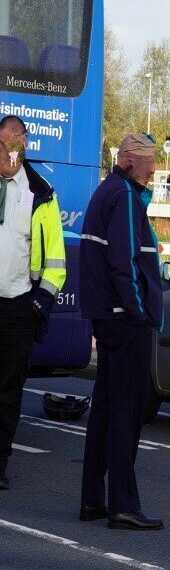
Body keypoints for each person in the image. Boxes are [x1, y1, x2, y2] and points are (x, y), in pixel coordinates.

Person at [79, 132, 165, 530]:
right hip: (124, 319)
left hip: (105, 316)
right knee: (126, 414)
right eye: (150, 160)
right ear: (130, 159)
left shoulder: (105, 191)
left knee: (105, 410)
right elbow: (124, 262)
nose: (155, 168)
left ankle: (94, 500)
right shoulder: (126, 198)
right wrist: (138, 311)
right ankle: (124, 505)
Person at [0, 116, 67, 491]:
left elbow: (56, 258)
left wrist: (39, 303)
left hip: (18, 308)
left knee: (8, 390)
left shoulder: (40, 193)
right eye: (3, 144)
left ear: (24, 145)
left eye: (15, 143)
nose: (10, 150)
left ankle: (0, 462)